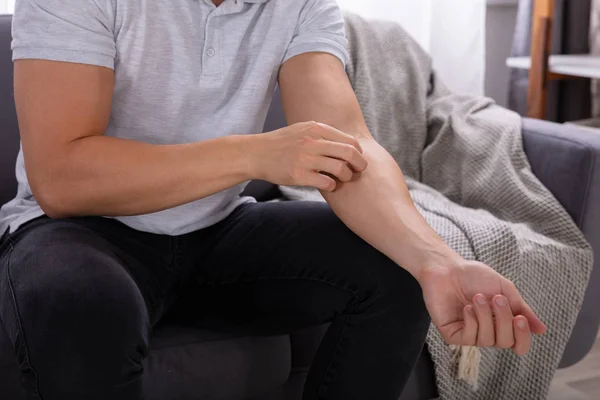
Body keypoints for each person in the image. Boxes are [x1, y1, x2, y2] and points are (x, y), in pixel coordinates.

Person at [0, 0, 547, 399]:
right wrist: (252, 155)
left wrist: (438, 263)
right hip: (83, 231)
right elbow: (63, 177)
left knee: (396, 267)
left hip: (215, 229)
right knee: (80, 304)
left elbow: (347, 145)